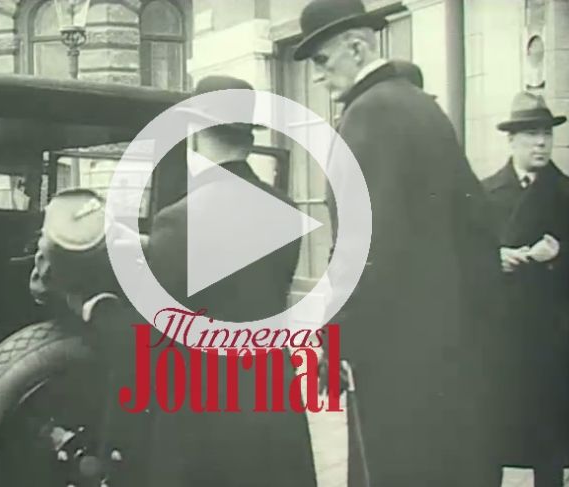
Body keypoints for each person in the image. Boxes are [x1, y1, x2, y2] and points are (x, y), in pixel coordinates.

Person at [293, 0, 506, 486]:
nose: (318, 77)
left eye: (322, 60)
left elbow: (365, 247)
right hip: (449, 347)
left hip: (393, 352)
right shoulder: (422, 107)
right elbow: (479, 225)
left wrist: (336, 336)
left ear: (356, 47)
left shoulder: (368, 115)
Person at [144, 75, 316, 487]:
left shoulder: (177, 219)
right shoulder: (287, 209)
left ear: (196, 130)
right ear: (249, 137)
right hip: (272, 397)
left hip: (204, 408)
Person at [482, 91, 569, 487]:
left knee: (549, 445)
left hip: (553, 338)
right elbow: (464, 253)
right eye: (532, 134)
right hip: (501, 336)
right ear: (512, 140)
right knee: (493, 438)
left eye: (547, 135)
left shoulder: (564, 193)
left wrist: (559, 254)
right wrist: (495, 258)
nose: (541, 143)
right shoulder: (486, 193)